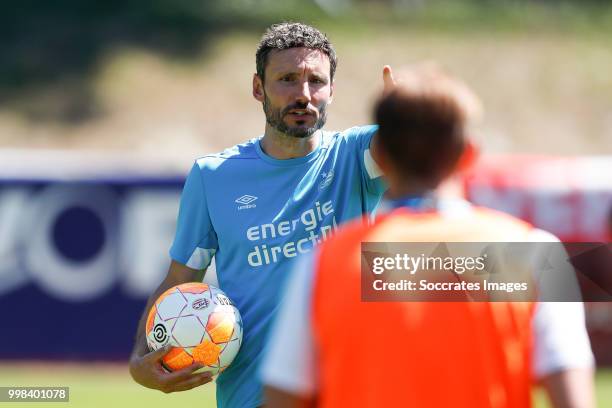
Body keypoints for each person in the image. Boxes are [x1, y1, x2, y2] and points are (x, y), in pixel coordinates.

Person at [262, 66, 595, 407]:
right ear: (469, 153)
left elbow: (283, 396)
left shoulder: (323, 262)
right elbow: (573, 397)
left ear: (382, 156)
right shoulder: (535, 253)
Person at [129, 22, 392, 408]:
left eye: (316, 81)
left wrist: (407, 122)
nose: (304, 95)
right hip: (250, 396)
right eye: (287, 79)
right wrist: (139, 361)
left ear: (332, 90)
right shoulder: (213, 176)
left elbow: (414, 151)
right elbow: (179, 279)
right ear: (258, 88)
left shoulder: (356, 156)